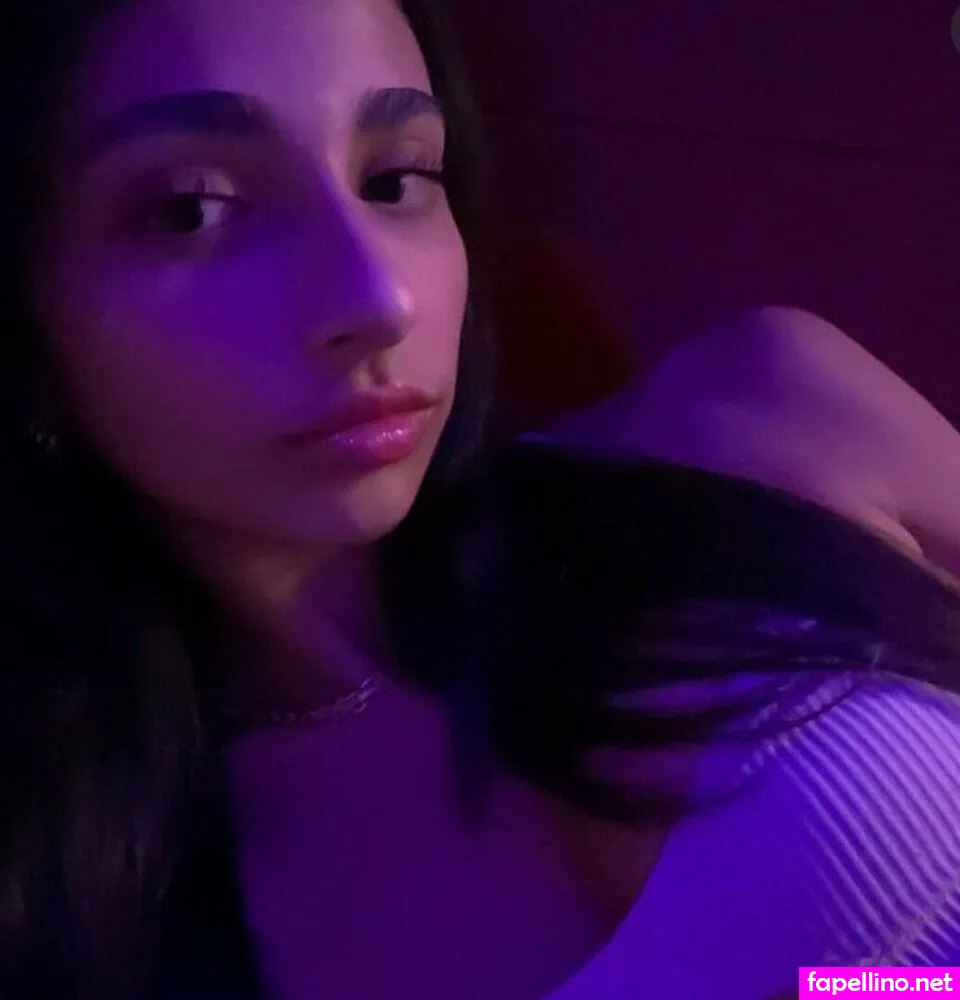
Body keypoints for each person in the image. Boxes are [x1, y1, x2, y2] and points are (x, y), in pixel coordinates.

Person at [2, 1, 960, 999]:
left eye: (396, 180)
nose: (377, 298)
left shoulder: (762, 424)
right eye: (194, 208)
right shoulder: (110, 917)